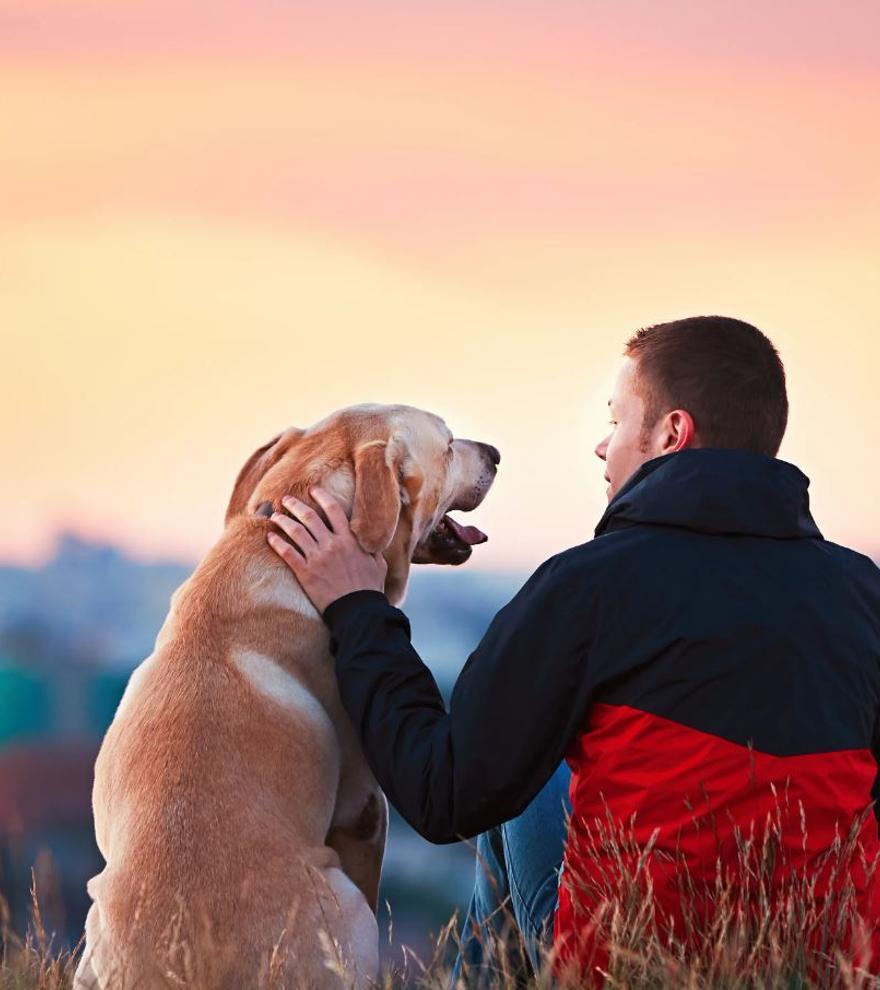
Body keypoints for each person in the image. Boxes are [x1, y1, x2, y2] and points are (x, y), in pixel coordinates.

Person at [265, 316, 880, 986]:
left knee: (517, 784)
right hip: (821, 969)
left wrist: (358, 609)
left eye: (617, 420)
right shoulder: (862, 593)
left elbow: (442, 795)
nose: (600, 446)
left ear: (672, 434)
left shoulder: (589, 585)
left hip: (637, 968)